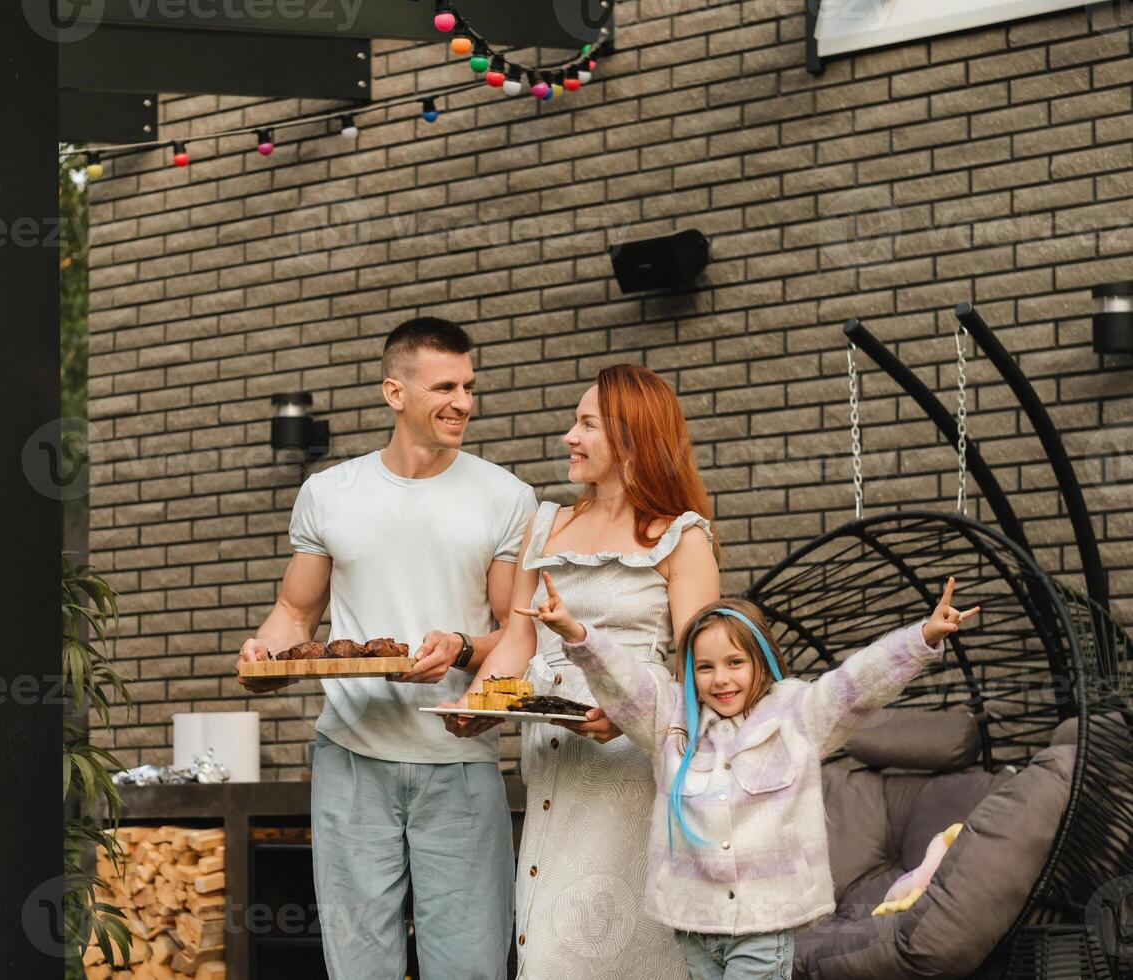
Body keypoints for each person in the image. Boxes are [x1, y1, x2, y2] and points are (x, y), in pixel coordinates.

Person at [236, 317, 537, 980]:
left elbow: (517, 633)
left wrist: (460, 648)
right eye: (444, 386)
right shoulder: (328, 493)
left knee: (469, 968)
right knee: (357, 967)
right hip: (350, 762)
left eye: (469, 385)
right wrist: (263, 656)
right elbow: (294, 614)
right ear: (394, 394)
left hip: (459, 762)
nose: (463, 401)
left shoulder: (506, 497)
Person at [527, 575, 979, 979]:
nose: (720, 679)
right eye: (705, 667)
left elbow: (858, 683)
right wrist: (576, 634)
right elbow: (624, 680)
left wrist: (922, 637)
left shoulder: (798, 715)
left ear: (761, 662)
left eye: (734, 663)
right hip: (693, 927)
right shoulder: (670, 720)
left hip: (764, 925)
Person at [445, 364, 717, 979]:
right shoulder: (546, 525)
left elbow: (699, 670)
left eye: (587, 424)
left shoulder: (681, 539)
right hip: (552, 755)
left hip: (631, 766)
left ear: (632, 439)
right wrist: (481, 704)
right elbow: (519, 640)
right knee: (543, 931)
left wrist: (628, 716)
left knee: (588, 948)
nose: (569, 436)